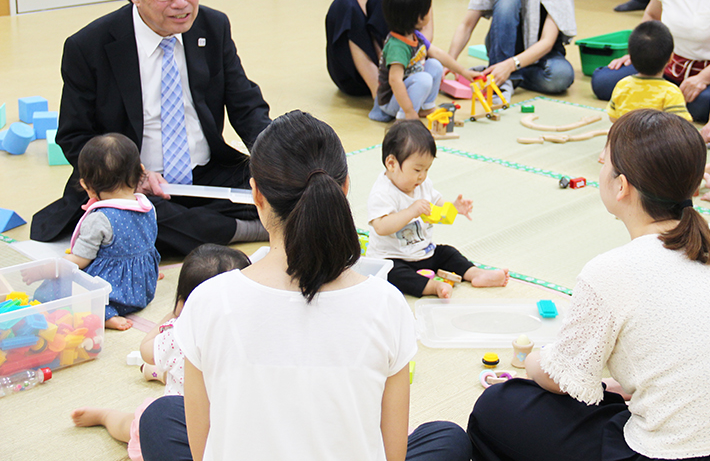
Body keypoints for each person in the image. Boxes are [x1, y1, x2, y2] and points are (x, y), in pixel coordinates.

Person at [138, 111, 472, 461]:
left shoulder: (207, 300)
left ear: (257, 195)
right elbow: (392, 455)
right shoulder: (387, 303)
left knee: (159, 417)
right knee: (446, 438)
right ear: (343, 189)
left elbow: (203, 449)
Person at [468, 110, 710, 461]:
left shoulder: (611, 271)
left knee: (498, 406)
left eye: (605, 158)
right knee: (612, 398)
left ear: (621, 185)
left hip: (685, 455)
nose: (598, 160)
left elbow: (558, 377)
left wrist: (534, 361)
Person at [32, 0, 271, 255]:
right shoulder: (89, 46)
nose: (182, 3)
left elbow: (246, 104)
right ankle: (248, 227)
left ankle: (214, 225)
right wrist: (134, 174)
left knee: (290, 189)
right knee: (129, 216)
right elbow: (74, 137)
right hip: (131, 182)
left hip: (207, 169)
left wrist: (275, 160)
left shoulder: (212, 27)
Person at [70, 244, 251, 461]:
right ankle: (153, 377)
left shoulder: (180, 334)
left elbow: (146, 349)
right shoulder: (254, 333)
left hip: (184, 422)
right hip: (235, 425)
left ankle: (107, 416)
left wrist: (171, 317)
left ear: (183, 303)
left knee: (133, 424)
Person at [368, 120, 509, 298]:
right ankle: (431, 287)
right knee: (392, 274)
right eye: (417, 169)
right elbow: (380, 226)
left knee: (448, 253)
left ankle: (476, 274)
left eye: (427, 169)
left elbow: (436, 201)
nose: (422, 176)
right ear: (391, 163)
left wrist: (454, 207)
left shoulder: (421, 183)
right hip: (394, 257)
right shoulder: (383, 192)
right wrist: (411, 211)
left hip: (425, 252)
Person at [63, 134, 159, 330]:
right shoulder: (147, 205)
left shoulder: (99, 218)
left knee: (63, 291)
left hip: (113, 294)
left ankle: (106, 316)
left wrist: (55, 266)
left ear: (86, 186)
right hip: (144, 289)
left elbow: (81, 260)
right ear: (141, 172)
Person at [376, 0, 476, 121]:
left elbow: (437, 53)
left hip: (409, 90)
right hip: (393, 101)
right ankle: (404, 117)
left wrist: (463, 72)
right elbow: (395, 81)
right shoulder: (397, 46)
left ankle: (426, 107)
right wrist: (409, 111)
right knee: (424, 79)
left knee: (435, 65)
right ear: (418, 18)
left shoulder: (414, 35)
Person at [606, 21, 691, 123]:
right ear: (671, 58)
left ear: (630, 58)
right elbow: (682, 125)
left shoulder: (622, 85)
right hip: (657, 139)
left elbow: (613, 118)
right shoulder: (670, 92)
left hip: (625, 138)